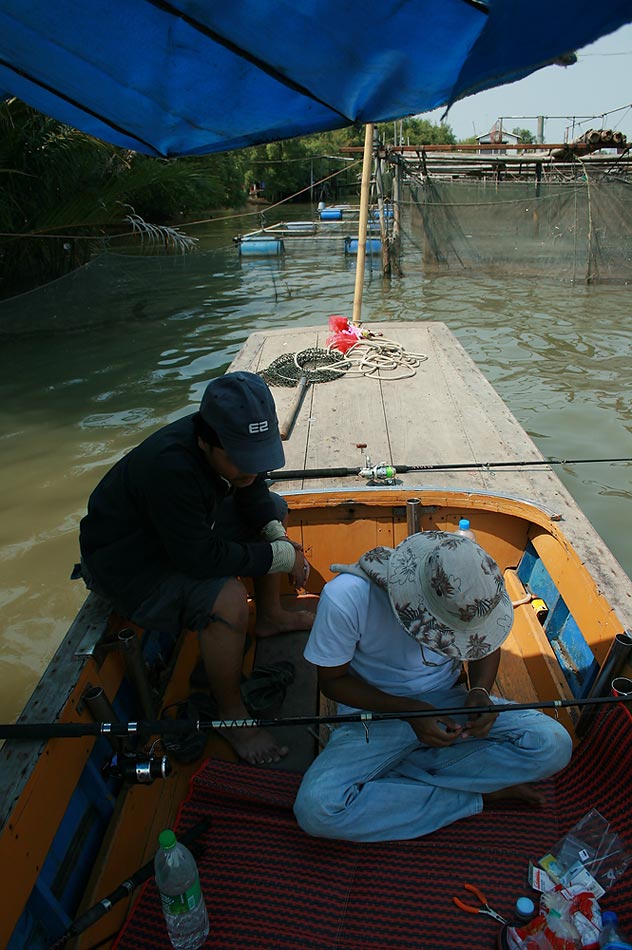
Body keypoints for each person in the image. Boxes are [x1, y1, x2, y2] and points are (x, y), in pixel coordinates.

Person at [78, 371, 313, 765]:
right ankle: (231, 714)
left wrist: (275, 533)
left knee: (271, 509)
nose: (250, 470)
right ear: (205, 441)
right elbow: (199, 560)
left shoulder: (232, 452)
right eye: (240, 460)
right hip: (130, 564)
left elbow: (253, 488)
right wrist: (281, 556)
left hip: (178, 537)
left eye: (260, 456)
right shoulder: (169, 468)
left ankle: (270, 616)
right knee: (227, 598)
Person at [293, 531, 572, 841]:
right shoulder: (347, 596)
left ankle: (396, 778)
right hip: (375, 711)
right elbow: (332, 682)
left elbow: (486, 643)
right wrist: (411, 710)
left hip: (451, 704)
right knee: (318, 810)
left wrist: (479, 690)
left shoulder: (474, 587)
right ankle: (476, 793)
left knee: (553, 744)